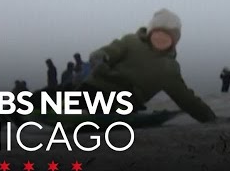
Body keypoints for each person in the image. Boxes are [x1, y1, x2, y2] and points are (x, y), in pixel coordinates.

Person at [80, 8, 217, 123]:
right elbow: (109, 51)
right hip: (97, 87)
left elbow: (186, 98)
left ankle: (91, 114)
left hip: (124, 100)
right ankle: (69, 110)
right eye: (157, 34)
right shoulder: (131, 42)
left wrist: (209, 117)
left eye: (166, 37)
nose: (160, 39)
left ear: (174, 41)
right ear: (150, 32)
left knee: (107, 104)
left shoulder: (169, 69)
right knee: (79, 95)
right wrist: (100, 58)